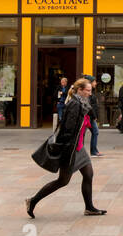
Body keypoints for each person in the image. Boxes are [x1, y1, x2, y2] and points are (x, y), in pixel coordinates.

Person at [26, 77, 104, 217]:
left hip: (79, 147)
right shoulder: (74, 104)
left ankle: (89, 207)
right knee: (63, 181)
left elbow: (92, 117)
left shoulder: (83, 102)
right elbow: (67, 129)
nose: (90, 93)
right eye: (87, 91)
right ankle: (32, 201)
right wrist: (66, 153)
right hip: (71, 148)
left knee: (88, 174)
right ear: (79, 90)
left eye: (91, 91)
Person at [84, 75, 104, 157]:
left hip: (90, 117)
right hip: (89, 117)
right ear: (90, 82)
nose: (96, 83)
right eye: (94, 81)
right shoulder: (88, 93)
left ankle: (94, 151)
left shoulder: (91, 91)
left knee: (93, 132)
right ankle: (93, 151)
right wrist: (94, 116)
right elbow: (89, 107)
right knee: (93, 132)